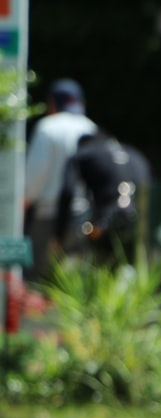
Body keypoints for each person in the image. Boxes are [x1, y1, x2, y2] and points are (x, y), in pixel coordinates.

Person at [23, 79, 98, 282]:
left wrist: (23, 203)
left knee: (39, 282)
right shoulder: (91, 128)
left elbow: (35, 177)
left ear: (52, 103)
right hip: (83, 218)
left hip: (48, 216)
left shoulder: (48, 127)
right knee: (71, 283)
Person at [57, 130, 151, 267]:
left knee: (99, 263)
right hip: (140, 220)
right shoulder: (133, 153)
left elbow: (68, 192)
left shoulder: (83, 153)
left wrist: (59, 233)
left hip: (105, 221)